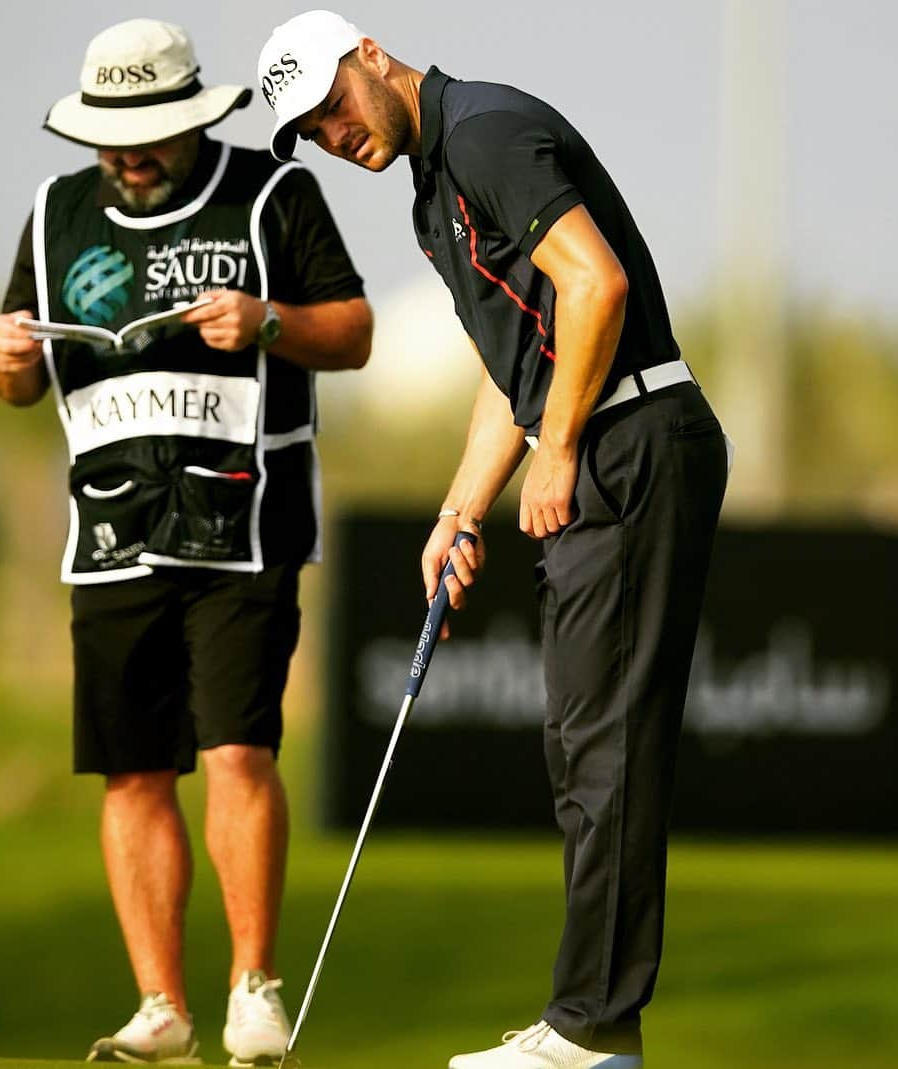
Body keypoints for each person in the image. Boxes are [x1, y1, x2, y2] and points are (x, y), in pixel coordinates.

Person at [257, 11, 729, 1069]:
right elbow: (509, 359)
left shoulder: (479, 133)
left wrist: (557, 444)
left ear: (372, 57)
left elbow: (594, 284)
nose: (336, 134)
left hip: (631, 434)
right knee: (576, 740)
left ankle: (592, 1030)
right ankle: (589, 1022)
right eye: (314, 134)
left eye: (334, 105)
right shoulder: (436, 186)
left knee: (605, 746)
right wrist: (460, 508)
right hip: (601, 434)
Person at [0, 18, 372, 1066]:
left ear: (196, 115)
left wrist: (271, 324)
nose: (128, 153)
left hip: (245, 521)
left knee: (238, 747)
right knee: (132, 768)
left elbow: (356, 331)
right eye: (112, 135)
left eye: (150, 130)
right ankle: (161, 1008)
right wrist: (3, 355)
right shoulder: (55, 214)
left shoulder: (272, 195)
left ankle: (253, 987)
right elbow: (14, 382)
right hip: (109, 527)